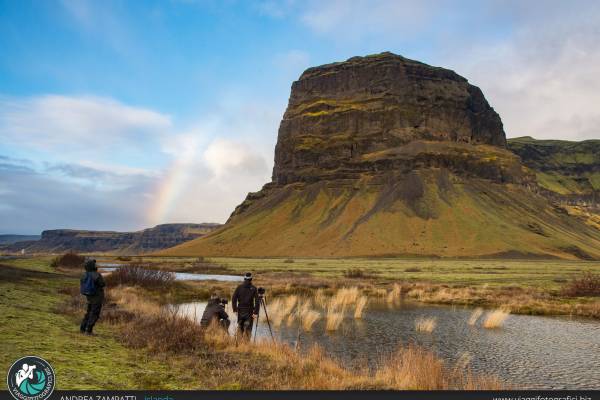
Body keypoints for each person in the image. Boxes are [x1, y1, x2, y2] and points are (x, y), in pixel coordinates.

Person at [79, 258, 105, 335]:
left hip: (89, 296)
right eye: (94, 264)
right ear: (92, 266)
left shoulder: (84, 274)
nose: (96, 265)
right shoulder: (96, 275)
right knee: (95, 314)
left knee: (89, 312)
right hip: (97, 297)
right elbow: (103, 284)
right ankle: (88, 330)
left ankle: (82, 328)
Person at [232, 272, 259, 339]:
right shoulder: (254, 288)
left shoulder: (239, 287)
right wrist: (255, 313)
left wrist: (235, 310)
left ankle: (238, 346)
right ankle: (246, 346)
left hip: (240, 311)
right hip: (249, 312)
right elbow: (257, 301)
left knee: (240, 328)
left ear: (244, 278)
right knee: (248, 329)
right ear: (251, 279)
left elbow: (233, 298)